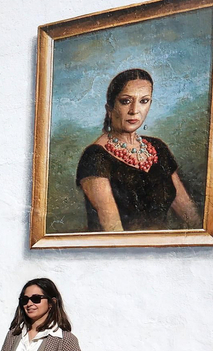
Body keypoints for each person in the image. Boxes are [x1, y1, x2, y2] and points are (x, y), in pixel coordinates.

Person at [77, 68, 201, 232]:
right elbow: (113, 231)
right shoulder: (95, 156)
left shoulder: (158, 148)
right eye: (126, 101)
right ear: (110, 108)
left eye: (144, 101)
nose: (134, 110)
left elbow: (190, 216)